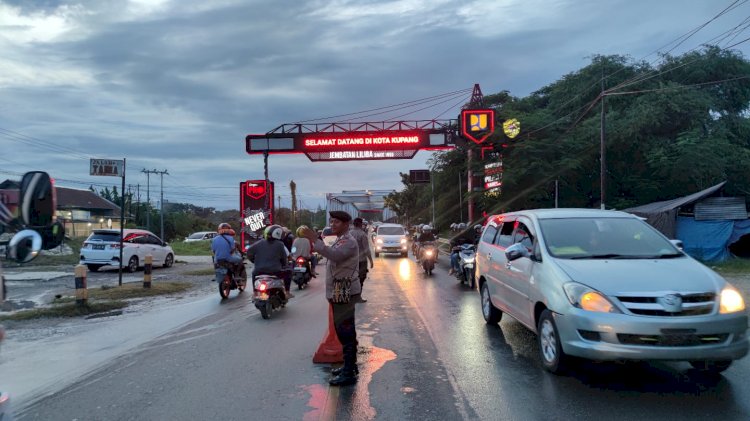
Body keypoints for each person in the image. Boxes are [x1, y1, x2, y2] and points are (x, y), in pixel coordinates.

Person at [301, 211, 360, 386]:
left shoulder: (349, 242)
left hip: (344, 289)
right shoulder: (340, 239)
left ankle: (349, 372)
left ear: (346, 224)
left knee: (345, 331)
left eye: (336, 222)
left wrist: (315, 240)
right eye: (331, 221)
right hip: (339, 289)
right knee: (342, 330)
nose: (332, 225)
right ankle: (350, 366)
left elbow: (334, 256)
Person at [247, 224, 294, 298]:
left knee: (254, 273)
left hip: (259, 270)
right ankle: (287, 292)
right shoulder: (280, 244)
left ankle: (255, 292)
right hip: (275, 271)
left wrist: (254, 261)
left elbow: (249, 252)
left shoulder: (259, 243)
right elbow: (284, 258)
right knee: (289, 271)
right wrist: (285, 265)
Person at [350, 217, 374, 302]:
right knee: (361, 279)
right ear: (361, 224)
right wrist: (371, 260)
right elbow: (366, 249)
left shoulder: (349, 234)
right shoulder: (362, 234)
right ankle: (358, 297)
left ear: (353, 224)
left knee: (351, 279)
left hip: (351, 262)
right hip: (361, 261)